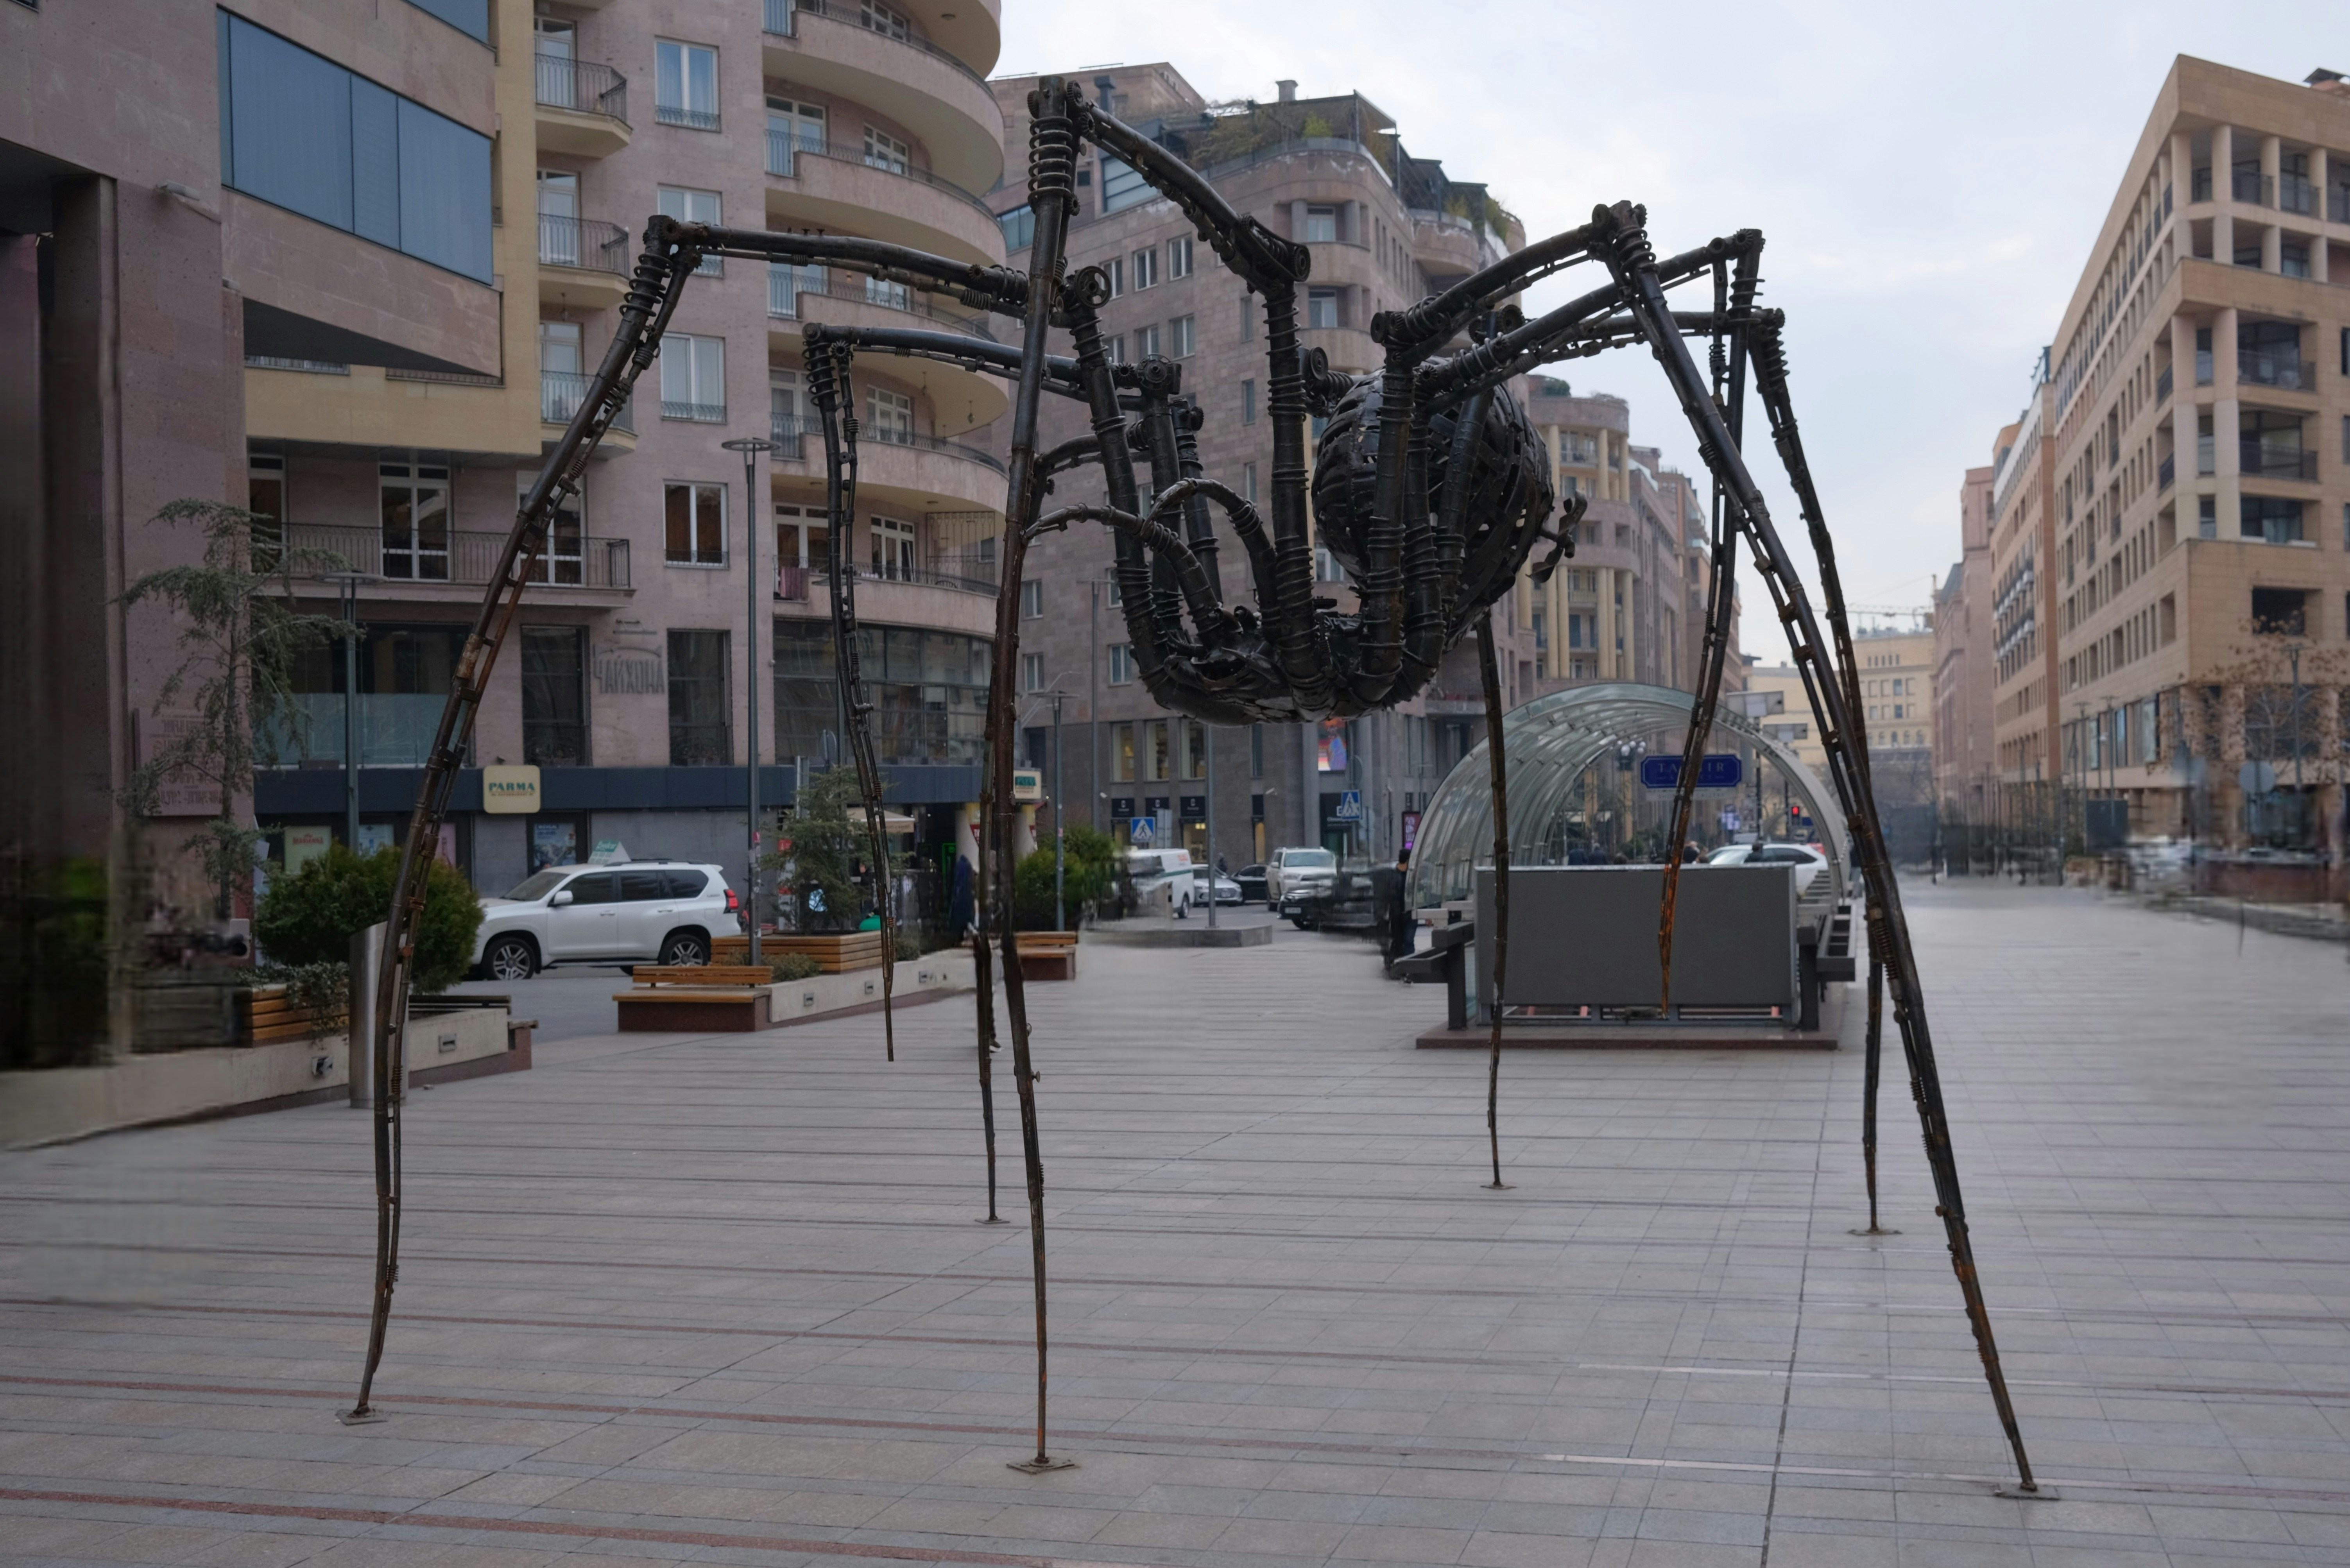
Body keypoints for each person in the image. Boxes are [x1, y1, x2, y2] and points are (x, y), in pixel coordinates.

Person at [947, 852, 975, 940]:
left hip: (959, 905)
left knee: (959, 925)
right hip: (965, 903)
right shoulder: (967, 869)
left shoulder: (959, 869)